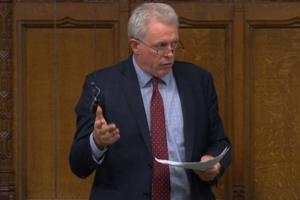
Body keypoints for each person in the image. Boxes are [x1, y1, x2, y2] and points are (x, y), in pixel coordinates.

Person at [69, 2, 231, 200]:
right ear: (135, 45)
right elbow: (78, 165)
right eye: (160, 46)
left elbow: (220, 142)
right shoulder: (102, 84)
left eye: (174, 44)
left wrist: (214, 163)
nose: (170, 53)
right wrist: (97, 142)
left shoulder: (198, 81)